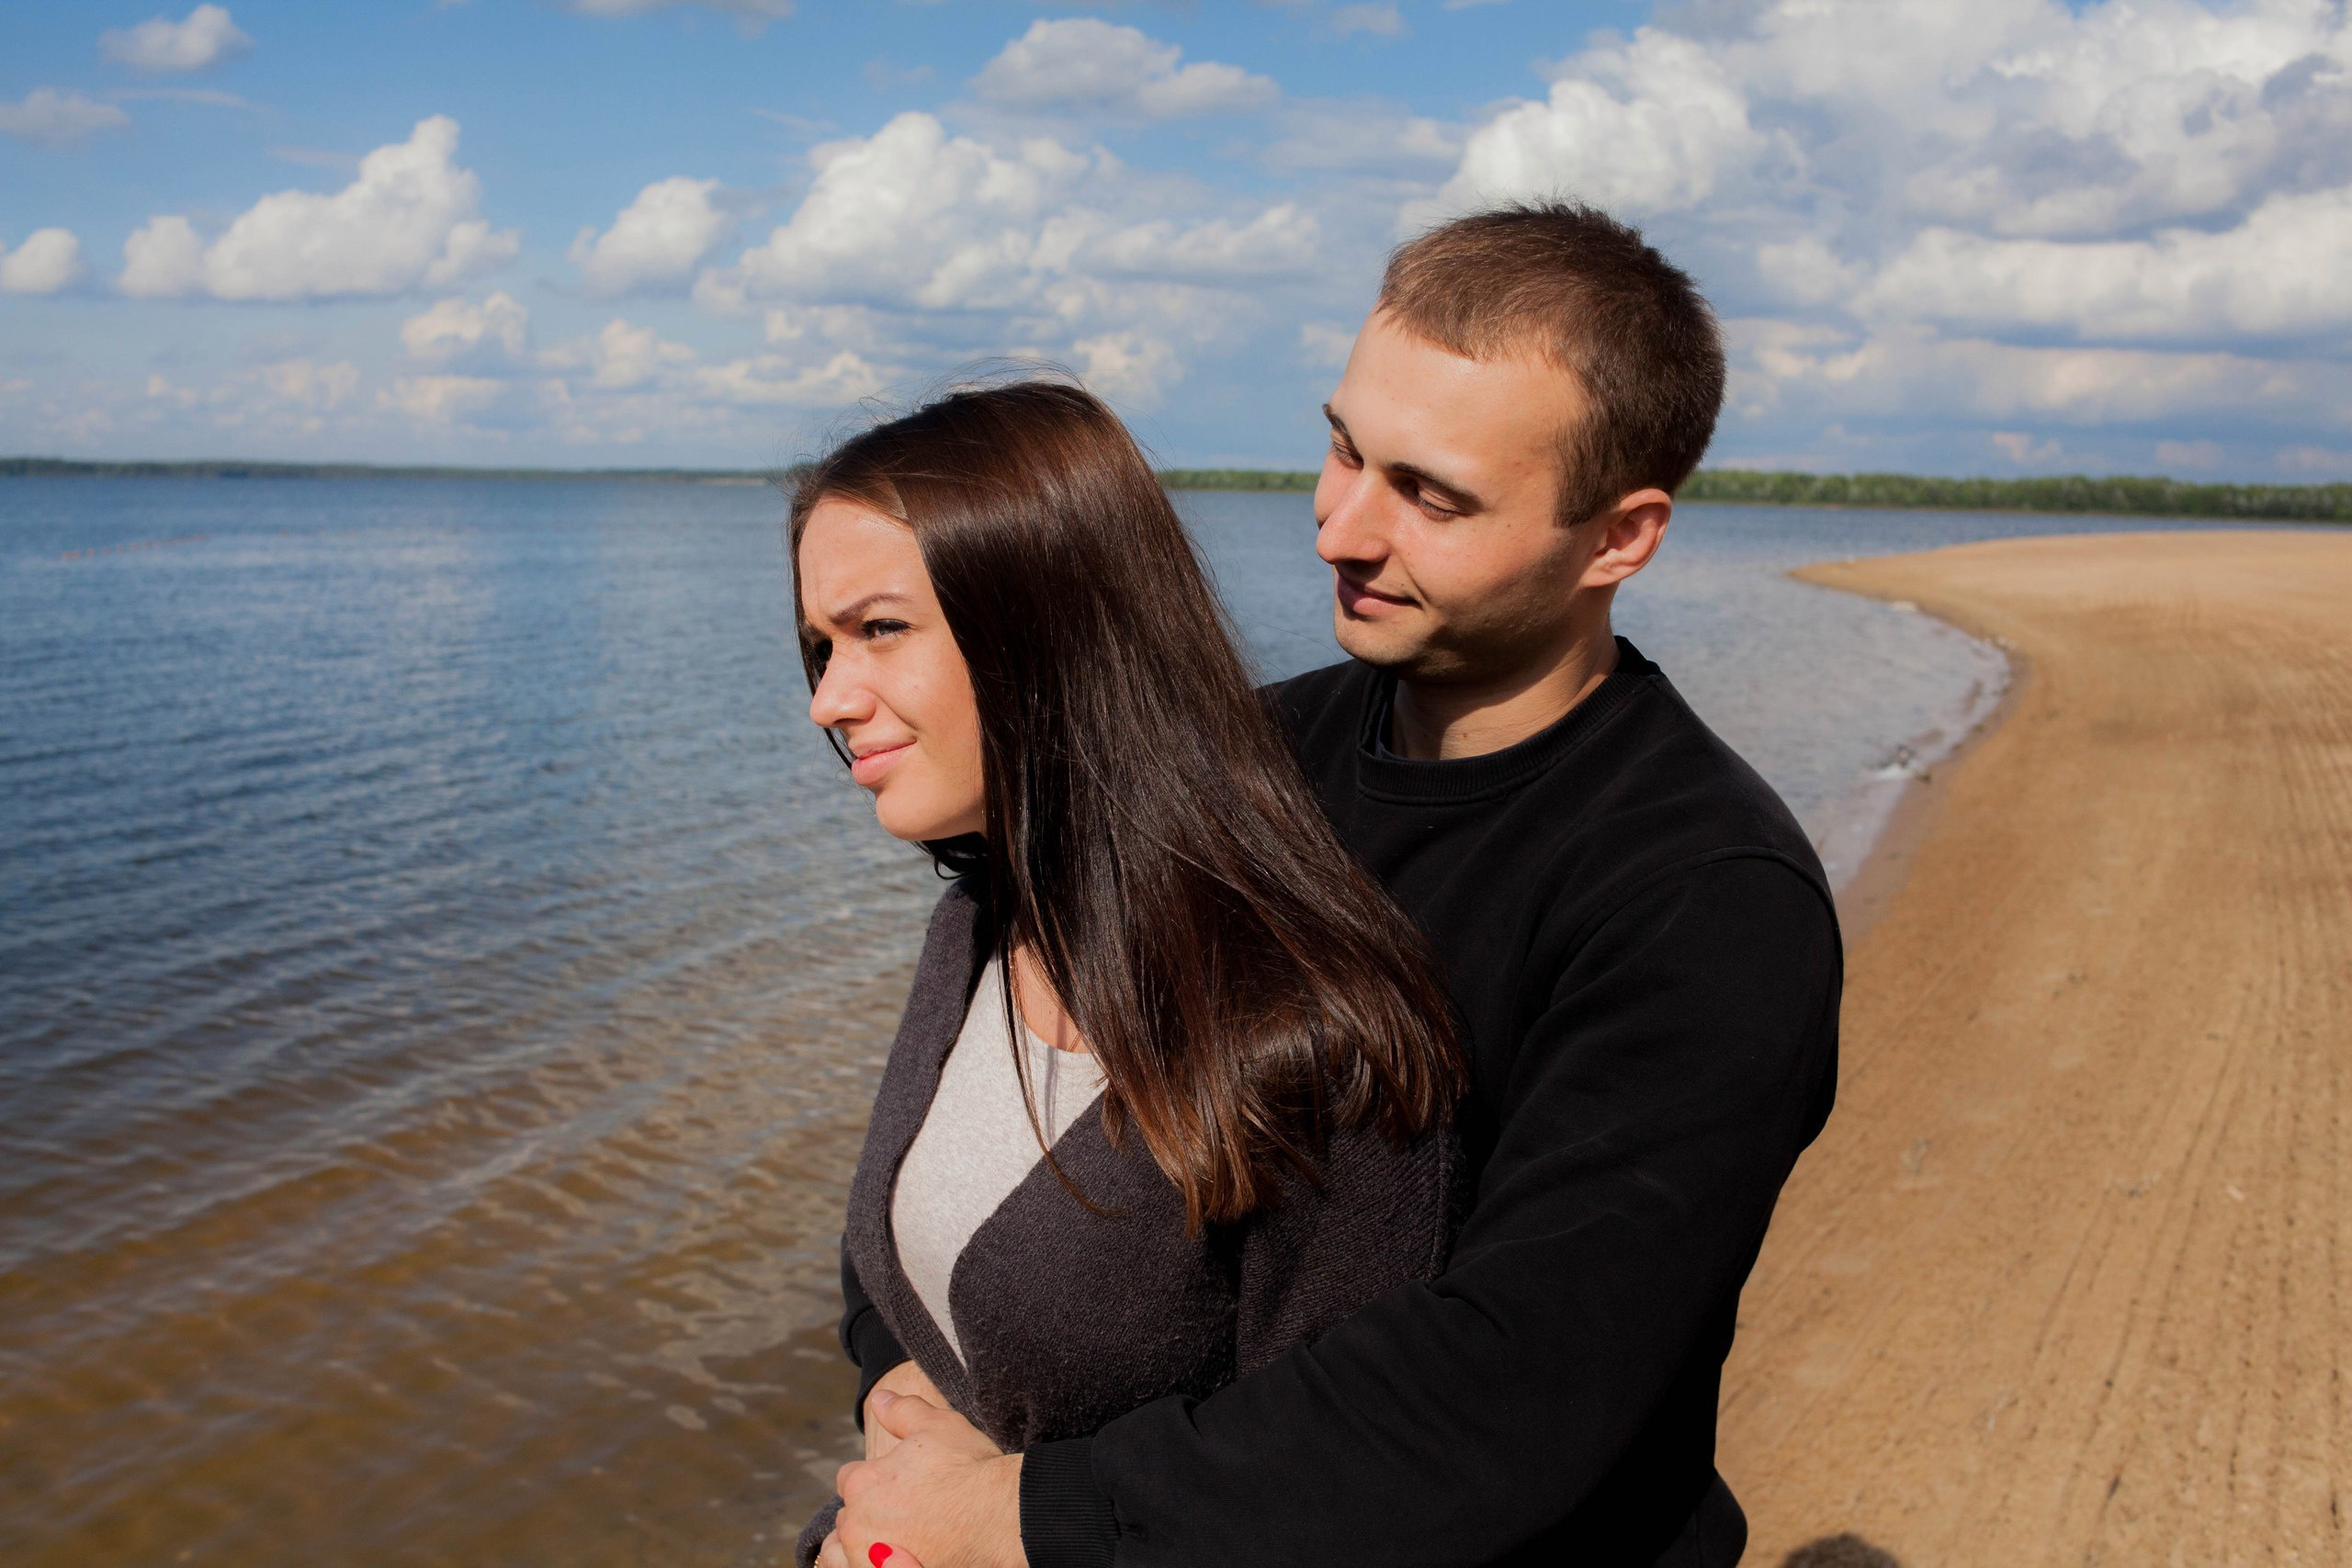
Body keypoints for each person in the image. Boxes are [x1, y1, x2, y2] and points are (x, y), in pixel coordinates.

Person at [820, 201, 1844, 1568]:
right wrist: (913, 1385)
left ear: (1619, 536)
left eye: (1430, 496)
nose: (1338, 529)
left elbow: (1512, 1387)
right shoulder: (1253, 755)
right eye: (1344, 447)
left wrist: (1024, 1514)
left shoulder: (1703, 902)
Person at [786, 378, 1470, 1568]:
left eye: (879, 630)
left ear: (1044, 625)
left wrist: (995, 1525)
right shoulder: (978, 927)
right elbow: (888, 1260)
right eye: (819, 647)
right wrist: (893, 1406)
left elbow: (1341, 1503)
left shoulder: (1315, 1051)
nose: (829, 702)